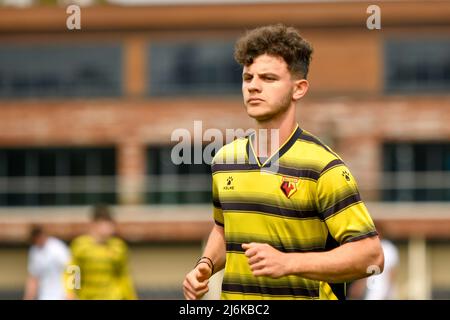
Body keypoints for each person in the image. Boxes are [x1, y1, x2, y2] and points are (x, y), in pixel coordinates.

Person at [183, 24, 384, 300]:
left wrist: (289, 263)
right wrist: (204, 265)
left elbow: (371, 256)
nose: (253, 86)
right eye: (248, 77)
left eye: (268, 78)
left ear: (298, 89)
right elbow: (223, 229)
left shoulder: (323, 167)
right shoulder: (224, 160)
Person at [66, 204, 137, 300]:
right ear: (94, 224)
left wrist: (130, 297)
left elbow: (123, 275)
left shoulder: (118, 246)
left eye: (110, 224)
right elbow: (74, 270)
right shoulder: (80, 245)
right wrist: (71, 293)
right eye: (104, 224)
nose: (109, 228)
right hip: (88, 296)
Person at [23, 225, 71, 300]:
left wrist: (71, 293)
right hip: (45, 296)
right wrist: (28, 297)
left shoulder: (57, 248)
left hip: (62, 295)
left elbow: (73, 269)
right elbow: (33, 277)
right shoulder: (34, 251)